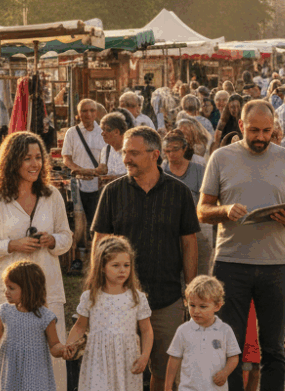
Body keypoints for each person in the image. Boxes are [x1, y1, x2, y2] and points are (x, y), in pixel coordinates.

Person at [197, 100, 285, 391]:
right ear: (241, 125)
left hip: (276, 265)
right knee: (230, 348)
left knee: (273, 348)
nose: (261, 137)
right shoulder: (221, 157)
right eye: (254, 131)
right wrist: (225, 210)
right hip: (231, 263)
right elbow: (202, 211)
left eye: (267, 131)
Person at [91, 127, 200, 391]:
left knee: (165, 374)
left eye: (134, 153)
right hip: (121, 300)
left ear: (154, 155)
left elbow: (189, 243)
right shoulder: (113, 192)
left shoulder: (179, 192)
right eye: (125, 152)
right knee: (120, 371)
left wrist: (190, 289)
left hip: (166, 299)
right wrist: (97, 288)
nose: (126, 159)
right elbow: (100, 242)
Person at [0, 132, 73, 391]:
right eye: (27, 158)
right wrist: (11, 245)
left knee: (49, 358)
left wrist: (52, 240)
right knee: (1, 357)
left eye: (38, 157)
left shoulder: (52, 196)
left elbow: (67, 238)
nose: (35, 164)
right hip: (6, 294)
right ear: (12, 161)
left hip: (45, 290)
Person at [67, 236, 153, 391]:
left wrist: (145, 356)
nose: (122, 270)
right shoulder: (91, 297)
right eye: (115, 265)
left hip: (127, 359)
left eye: (126, 265)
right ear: (102, 267)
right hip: (97, 360)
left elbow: (146, 330)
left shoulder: (137, 298)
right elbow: (80, 326)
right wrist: (68, 346)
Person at [0, 261, 67, 391]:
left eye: (11, 288)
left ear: (29, 289)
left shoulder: (45, 316)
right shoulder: (6, 311)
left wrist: (63, 350)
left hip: (35, 373)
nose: (6, 292)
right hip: (10, 370)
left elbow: (54, 345)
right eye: (6, 287)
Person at [164, 275, 242, 391]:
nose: (196, 311)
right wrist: (167, 387)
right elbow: (174, 359)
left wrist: (225, 373)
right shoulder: (183, 331)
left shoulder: (225, 330)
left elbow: (234, 357)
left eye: (203, 306)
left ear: (217, 306)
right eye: (192, 305)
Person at [163, 130, 212, 276]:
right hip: (170, 229)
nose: (171, 154)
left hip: (197, 227)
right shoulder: (162, 171)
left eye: (175, 149)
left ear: (184, 149)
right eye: (167, 150)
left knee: (200, 270)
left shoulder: (198, 170)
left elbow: (205, 199)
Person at [62, 99, 107, 225]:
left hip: (98, 184)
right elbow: (66, 158)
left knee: (97, 221)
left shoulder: (103, 133)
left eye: (92, 110)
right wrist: (80, 170)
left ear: (96, 113)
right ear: (78, 114)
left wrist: (98, 170)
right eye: (84, 111)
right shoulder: (71, 133)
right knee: (79, 221)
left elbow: (108, 157)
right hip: (77, 184)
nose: (88, 114)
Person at [96, 112, 128, 180]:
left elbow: (139, 175)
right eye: (102, 130)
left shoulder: (132, 149)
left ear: (117, 132)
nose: (103, 133)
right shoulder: (105, 150)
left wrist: (115, 178)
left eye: (106, 130)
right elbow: (102, 173)